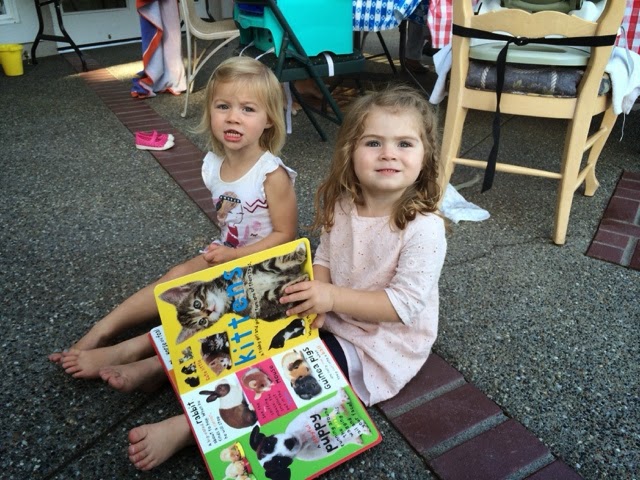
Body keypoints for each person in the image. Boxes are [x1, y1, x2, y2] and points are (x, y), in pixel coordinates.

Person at [48, 55, 297, 386]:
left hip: (267, 270)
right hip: (228, 254)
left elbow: (286, 235)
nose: (233, 117)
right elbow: (231, 214)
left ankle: (136, 352)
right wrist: (228, 247)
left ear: (269, 120)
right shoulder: (213, 165)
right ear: (210, 111)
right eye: (223, 106)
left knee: (208, 305)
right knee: (175, 278)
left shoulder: (271, 174)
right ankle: (102, 330)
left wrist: (235, 255)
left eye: (248, 109)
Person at [280, 84, 447, 406]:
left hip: (380, 342)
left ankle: (191, 427)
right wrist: (316, 297)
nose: (388, 153)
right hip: (335, 316)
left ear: (425, 157)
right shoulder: (344, 204)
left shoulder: (424, 227)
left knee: (297, 379)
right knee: (260, 338)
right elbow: (325, 258)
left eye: (404, 143)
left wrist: (330, 297)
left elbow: (402, 306)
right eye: (373, 142)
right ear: (350, 152)